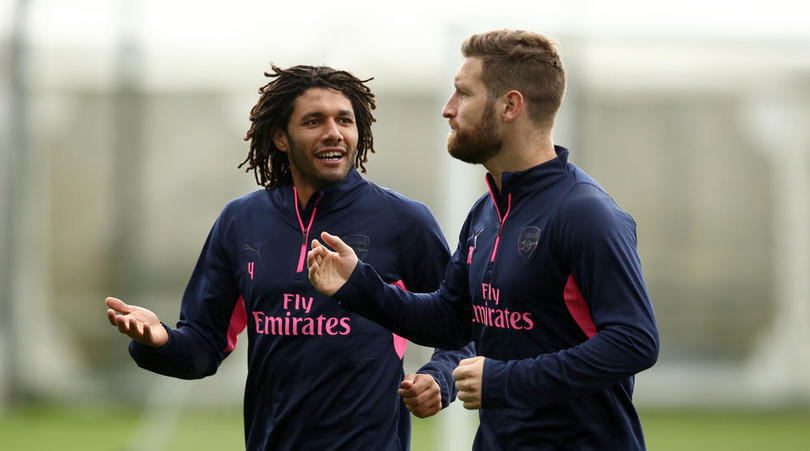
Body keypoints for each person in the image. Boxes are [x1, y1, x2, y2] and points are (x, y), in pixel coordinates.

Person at [307, 30, 660, 450]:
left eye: (462, 94)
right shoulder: (486, 212)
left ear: (510, 105)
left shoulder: (584, 213)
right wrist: (359, 285)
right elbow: (451, 320)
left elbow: (634, 341)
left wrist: (503, 380)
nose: (448, 109)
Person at [105, 64, 474, 451]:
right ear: (281, 137)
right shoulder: (241, 221)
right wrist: (158, 341)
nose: (333, 132)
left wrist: (440, 377)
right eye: (314, 121)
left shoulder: (404, 220)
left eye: (344, 120)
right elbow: (203, 347)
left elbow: (459, 327)